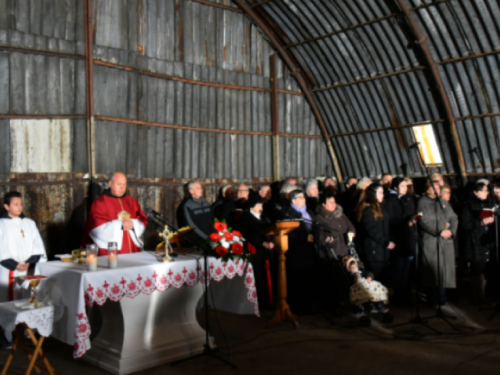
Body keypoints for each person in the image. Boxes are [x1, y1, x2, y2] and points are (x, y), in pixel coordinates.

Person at [0, 192, 47, 350]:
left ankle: (28, 333)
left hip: (26, 270)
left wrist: (29, 262)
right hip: (7, 271)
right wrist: (13, 264)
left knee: (28, 300)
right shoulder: (1, 224)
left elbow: (37, 244)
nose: (19, 207)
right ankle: (6, 335)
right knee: (7, 302)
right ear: (6, 206)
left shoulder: (29, 223)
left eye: (20, 204)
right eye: (15, 204)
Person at [81, 172, 148, 256]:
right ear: (110, 184)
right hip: (111, 253)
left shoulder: (132, 202)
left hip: (133, 251)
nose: (122, 187)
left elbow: (142, 219)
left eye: (124, 184)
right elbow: (96, 228)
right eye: (119, 184)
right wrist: (119, 225)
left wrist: (134, 224)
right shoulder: (99, 203)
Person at [417, 181, 458, 306]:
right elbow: (423, 221)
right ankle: (432, 298)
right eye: (433, 188)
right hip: (431, 241)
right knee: (432, 270)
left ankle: (442, 297)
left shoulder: (443, 202)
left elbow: (453, 217)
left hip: (445, 241)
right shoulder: (422, 202)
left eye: (438, 188)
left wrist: (451, 231)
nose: (437, 190)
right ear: (427, 190)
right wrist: (438, 231)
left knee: (444, 271)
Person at [236, 194, 274, 309]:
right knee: (257, 277)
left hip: (267, 253)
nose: (261, 206)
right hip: (254, 253)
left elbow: (273, 229)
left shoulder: (265, 217)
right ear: (251, 206)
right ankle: (256, 304)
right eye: (258, 204)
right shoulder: (245, 218)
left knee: (266, 278)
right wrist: (263, 243)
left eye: (261, 204)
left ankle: (267, 302)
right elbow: (249, 234)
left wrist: (271, 241)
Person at [281, 189, 316, 314]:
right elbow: (287, 233)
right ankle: (297, 308)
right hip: (296, 252)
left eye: (304, 197)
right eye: (300, 197)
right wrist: (305, 237)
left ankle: (308, 307)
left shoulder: (309, 213)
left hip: (309, 251)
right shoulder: (287, 214)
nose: (304, 199)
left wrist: (315, 235)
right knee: (297, 280)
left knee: (308, 278)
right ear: (293, 200)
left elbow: (316, 226)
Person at [461, 182, 495, 305]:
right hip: (475, 241)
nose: (486, 192)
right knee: (477, 269)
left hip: (488, 241)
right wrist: (481, 223)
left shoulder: (490, 204)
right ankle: (477, 297)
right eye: (483, 190)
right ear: (475, 192)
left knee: (487, 269)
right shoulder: (468, 206)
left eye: (487, 190)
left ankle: (486, 296)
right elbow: (465, 225)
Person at [385, 177, 416, 306]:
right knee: (398, 269)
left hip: (408, 239)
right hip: (398, 239)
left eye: (406, 185)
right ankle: (398, 296)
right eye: (402, 186)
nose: (405, 188)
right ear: (396, 188)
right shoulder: (391, 202)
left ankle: (406, 295)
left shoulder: (408, 200)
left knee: (407, 271)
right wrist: (406, 224)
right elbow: (390, 221)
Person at [355, 183, 395, 281]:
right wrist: (385, 242)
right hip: (374, 252)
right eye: (380, 193)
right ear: (373, 195)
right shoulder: (368, 211)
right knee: (376, 279)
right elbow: (372, 230)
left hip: (383, 251)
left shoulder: (381, 208)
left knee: (384, 279)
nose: (383, 195)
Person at [316, 193, 356, 261]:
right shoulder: (319, 218)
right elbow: (319, 236)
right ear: (323, 204)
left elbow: (350, 225)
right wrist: (326, 241)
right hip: (335, 252)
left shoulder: (340, 213)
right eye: (330, 202)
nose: (333, 204)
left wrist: (351, 233)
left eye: (334, 202)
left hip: (347, 248)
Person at [179, 180, 214, 247]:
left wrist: (213, 235)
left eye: (201, 188)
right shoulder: (187, 206)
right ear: (191, 191)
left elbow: (212, 220)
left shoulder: (206, 203)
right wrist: (205, 237)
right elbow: (190, 226)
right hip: (196, 242)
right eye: (198, 188)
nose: (201, 190)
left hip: (210, 239)